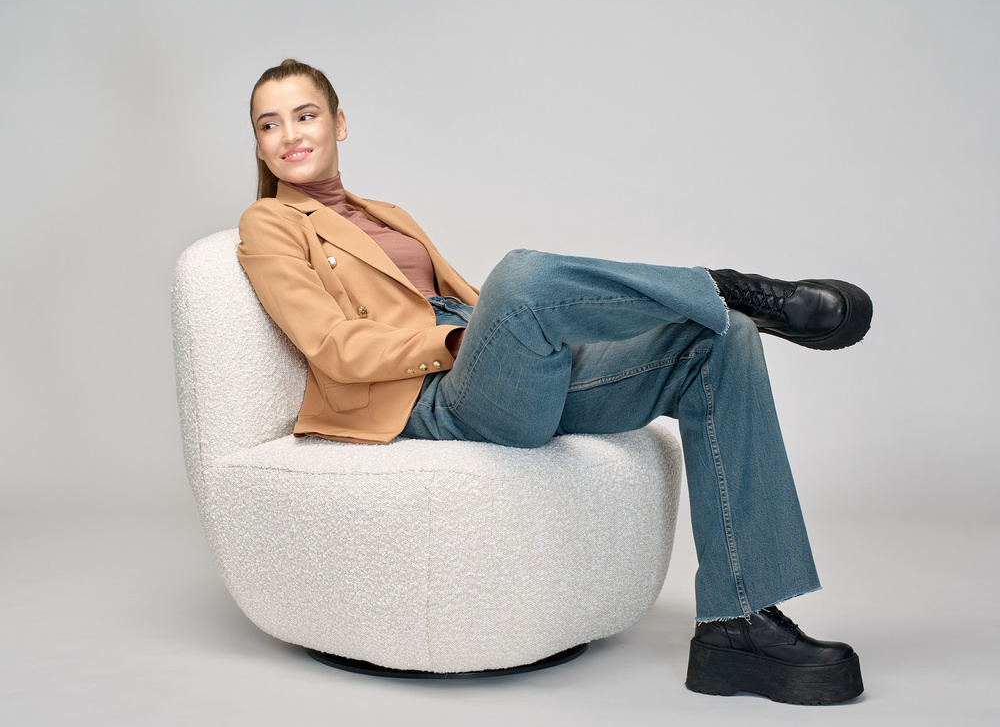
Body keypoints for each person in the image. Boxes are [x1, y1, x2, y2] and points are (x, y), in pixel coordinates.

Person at [237, 59, 871, 705]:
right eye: (269, 124)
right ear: (258, 144)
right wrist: (459, 343)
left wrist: (516, 336)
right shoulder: (268, 224)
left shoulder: (386, 213)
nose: (290, 134)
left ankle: (740, 624)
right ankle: (723, 284)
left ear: (339, 123)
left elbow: (460, 301)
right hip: (427, 394)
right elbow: (331, 346)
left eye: (305, 115)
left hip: (490, 368)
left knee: (722, 338)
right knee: (520, 277)